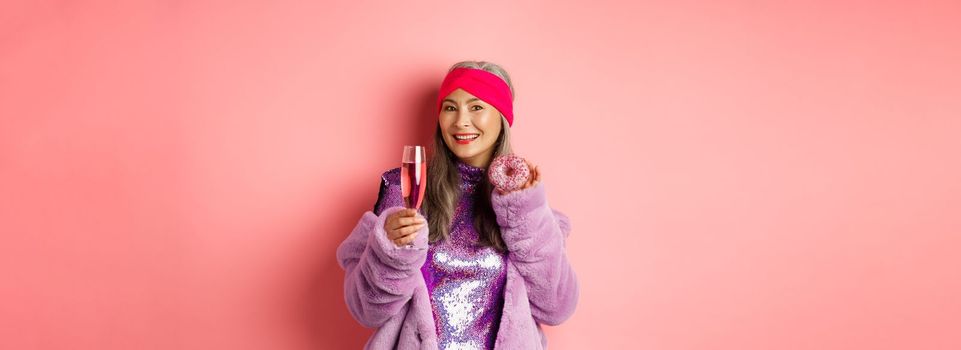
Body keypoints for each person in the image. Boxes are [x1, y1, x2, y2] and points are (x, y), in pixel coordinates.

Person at [336, 60, 578, 349]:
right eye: (450, 107)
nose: (461, 120)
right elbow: (366, 310)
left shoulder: (523, 202)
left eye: (476, 107)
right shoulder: (406, 190)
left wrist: (525, 212)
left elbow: (556, 307)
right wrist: (390, 251)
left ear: (501, 117)